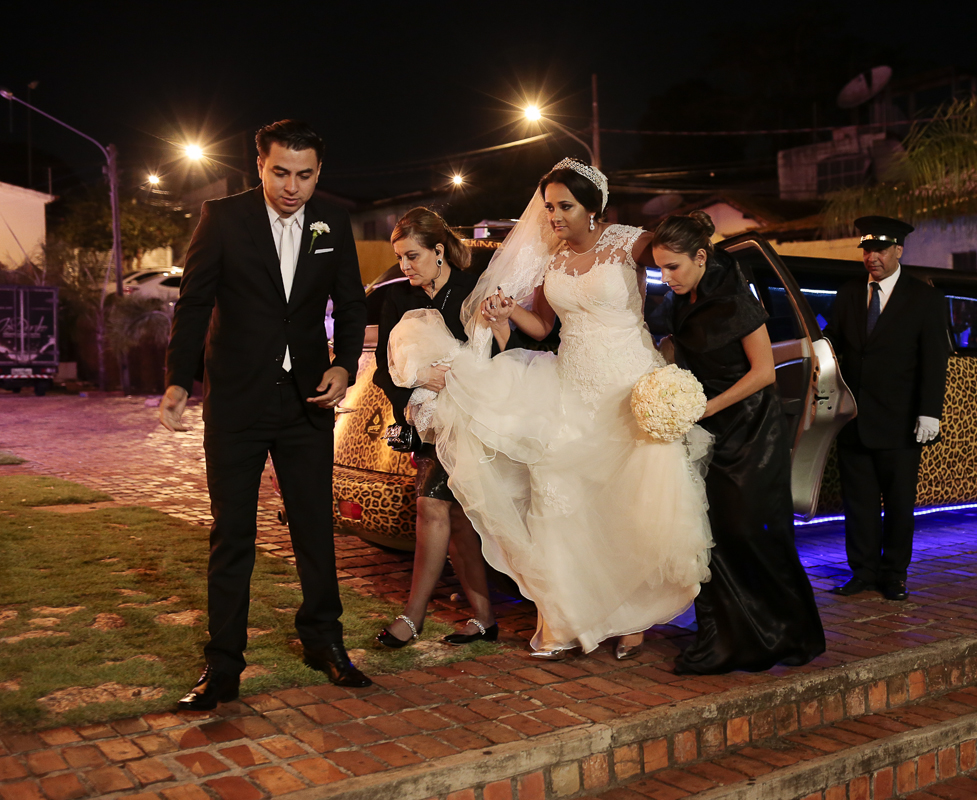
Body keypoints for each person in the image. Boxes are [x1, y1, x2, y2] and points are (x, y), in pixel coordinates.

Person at [429, 158, 712, 660]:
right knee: (557, 498)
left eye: (564, 206)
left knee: (628, 506)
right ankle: (561, 620)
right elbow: (541, 327)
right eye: (549, 206)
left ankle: (633, 617)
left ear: (593, 208)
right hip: (569, 387)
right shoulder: (551, 257)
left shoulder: (633, 242)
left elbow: (685, 267)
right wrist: (507, 308)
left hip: (628, 389)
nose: (553, 216)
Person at [159, 120, 370, 711]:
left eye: (305, 175)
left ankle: (324, 640)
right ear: (260, 165)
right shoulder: (221, 218)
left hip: (306, 399)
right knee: (233, 534)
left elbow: (350, 302)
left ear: (318, 173)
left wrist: (345, 366)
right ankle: (223, 664)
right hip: (236, 399)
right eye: (281, 172)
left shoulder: (334, 221)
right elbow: (195, 302)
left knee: (313, 526)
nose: (292, 186)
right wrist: (180, 380)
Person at [651, 211, 826, 674]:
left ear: (701, 257)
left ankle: (787, 633)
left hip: (750, 430)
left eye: (674, 267)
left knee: (751, 532)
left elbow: (764, 373)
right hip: (706, 430)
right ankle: (722, 641)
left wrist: (707, 407)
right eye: (661, 268)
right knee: (713, 538)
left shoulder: (736, 297)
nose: (666, 278)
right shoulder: (681, 299)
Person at [371, 208, 497, 649]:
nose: (404, 267)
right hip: (425, 425)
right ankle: (484, 618)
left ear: (438, 251)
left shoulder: (470, 293)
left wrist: (459, 379)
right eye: (400, 257)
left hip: (471, 421)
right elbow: (382, 372)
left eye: (412, 256)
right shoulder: (396, 301)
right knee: (454, 518)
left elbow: (495, 356)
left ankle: (413, 616)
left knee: (432, 509)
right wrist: (413, 388)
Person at [823, 216, 950, 602]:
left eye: (880, 250)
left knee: (898, 504)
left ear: (898, 250)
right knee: (858, 504)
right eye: (866, 250)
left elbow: (934, 358)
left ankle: (894, 574)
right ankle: (862, 571)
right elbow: (832, 342)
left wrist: (930, 411)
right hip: (855, 419)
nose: (871, 257)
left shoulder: (924, 297)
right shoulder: (848, 294)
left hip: (900, 421)